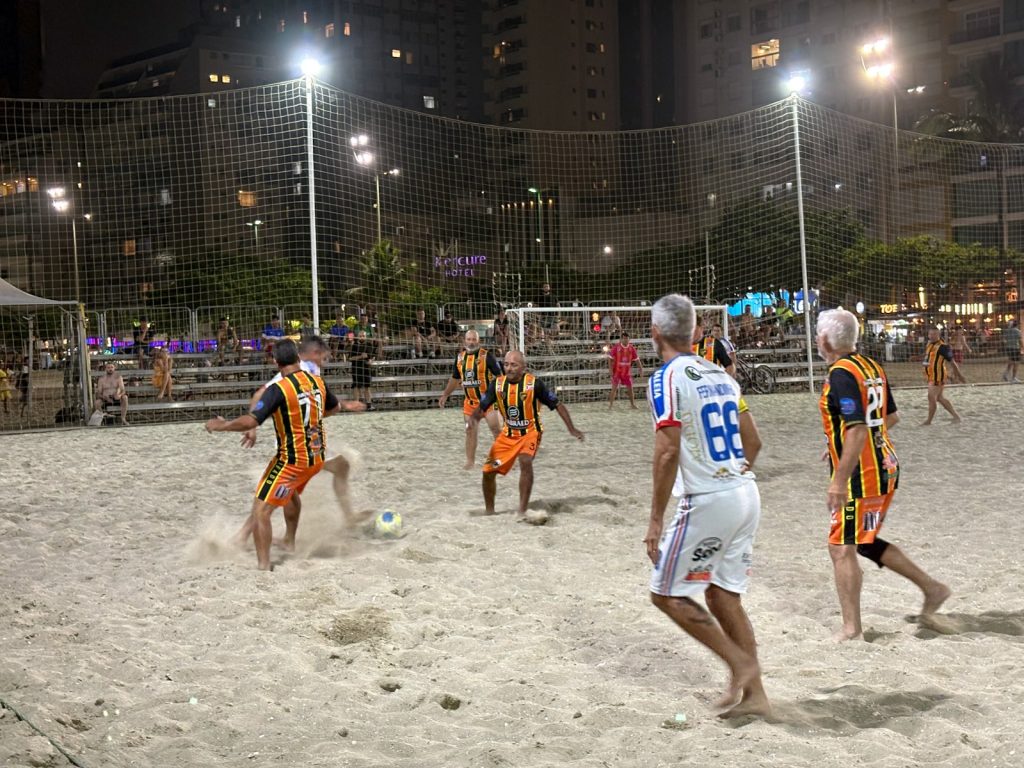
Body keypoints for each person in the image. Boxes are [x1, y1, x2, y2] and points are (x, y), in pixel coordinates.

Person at [644, 293, 769, 719]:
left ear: (656, 332)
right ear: (696, 331)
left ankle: (741, 665)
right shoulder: (721, 375)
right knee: (722, 594)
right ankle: (756, 696)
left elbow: (666, 451)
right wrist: (731, 477)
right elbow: (753, 441)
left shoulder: (665, 378)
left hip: (711, 500)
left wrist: (656, 519)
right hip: (746, 494)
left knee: (666, 593)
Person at [816, 308, 950, 640]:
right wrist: (839, 442)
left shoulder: (842, 374)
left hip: (864, 477)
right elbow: (890, 418)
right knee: (864, 541)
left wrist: (838, 479)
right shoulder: (870, 366)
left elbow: (859, 427)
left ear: (824, 339)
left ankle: (851, 629)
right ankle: (932, 588)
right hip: (886, 469)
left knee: (841, 547)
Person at [206, 340, 350, 570]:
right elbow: (335, 408)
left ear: (275, 361)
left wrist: (221, 426)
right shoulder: (316, 381)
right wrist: (310, 417)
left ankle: (264, 566)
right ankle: (289, 542)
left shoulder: (279, 389)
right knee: (289, 492)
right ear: (298, 358)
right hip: (317, 456)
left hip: (292, 461)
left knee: (261, 510)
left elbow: (251, 420)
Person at [469, 350, 583, 516]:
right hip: (507, 435)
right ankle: (489, 511)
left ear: (523, 367)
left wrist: (571, 429)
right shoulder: (497, 385)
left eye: (514, 365)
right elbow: (481, 408)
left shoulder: (534, 384)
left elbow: (557, 404)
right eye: (506, 364)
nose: (509, 368)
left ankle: (522, 510)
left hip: (530, 432)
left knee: (525, 460)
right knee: (488, 471)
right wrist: (474, 419)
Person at [438, 330, 504, 469]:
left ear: (478, 341)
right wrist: (445, 395)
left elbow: (500, 377)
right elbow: (455, 379)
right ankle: (470, 462)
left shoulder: (487, 356)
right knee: (470, 431)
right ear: (464, 341)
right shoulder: (460, 358)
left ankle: (504, 458)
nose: (471, 342)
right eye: (469, 339)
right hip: (470, 403)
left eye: (474, 339)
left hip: (489, 402)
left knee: (496, 429)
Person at [922, 326, 964, 425]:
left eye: (934, 334)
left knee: (931, 397)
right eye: (930, 334)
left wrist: (959, 376)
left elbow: (953, 363)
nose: (931, 336)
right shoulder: (929, 344)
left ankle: (929, 421)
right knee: (940, 398)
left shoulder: (943, 347)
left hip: (938, 377)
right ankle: (956, 417)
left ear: (938, 335)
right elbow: (928, 357)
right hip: (931, 376)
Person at [607, 331, 641, 409]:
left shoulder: (631, 348)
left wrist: (641, 369)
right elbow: (609, 357)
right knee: (614, 388)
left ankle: (632, 404)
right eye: (624, 338)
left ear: (629, 339)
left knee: (630, 389)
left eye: (627, 338)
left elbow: (637, 359)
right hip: (617, 372)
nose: (625, 340)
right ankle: (610, 405)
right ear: (621, 339)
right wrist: (610, 369)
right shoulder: (616, 347)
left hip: (627, 373)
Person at [350, 329, 375, 409]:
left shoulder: (369, 345)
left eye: (363, 336)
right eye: (360, 336)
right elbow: (350, 358)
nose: (362, 337)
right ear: (357, 337)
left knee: (367, 387)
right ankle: (356, 405)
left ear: (366, 337)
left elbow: (372, 357)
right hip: (356, 368)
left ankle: (369, 404)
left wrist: (370, 361)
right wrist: (361, 356)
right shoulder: (354, 346)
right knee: (356, 386)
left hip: (366, 368)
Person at [1002, 319, 1022, 383]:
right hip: (1015, 348)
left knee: (1010, 361)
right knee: (1016, 363)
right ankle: (1013, 378)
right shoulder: (1018, 331)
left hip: (1009, 348)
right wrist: (1023, 347)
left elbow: (1004, 340)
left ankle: (1006, 374)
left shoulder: (1007, 331)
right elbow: (1020, 341)